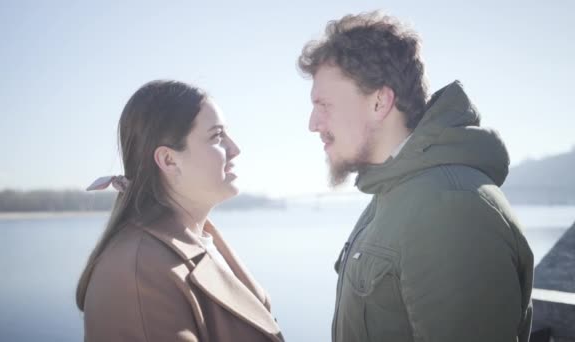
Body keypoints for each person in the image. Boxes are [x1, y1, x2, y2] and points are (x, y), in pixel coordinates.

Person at [298, 11, 534, 342]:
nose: (313, 123)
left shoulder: (450, 208)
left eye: (324, 104)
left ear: (379, 102)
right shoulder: (395, 192)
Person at [76, 80, 283, 342]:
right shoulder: (138, 273)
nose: (235, 149)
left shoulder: (200, 237)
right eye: (217, 136)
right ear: (169, 160)